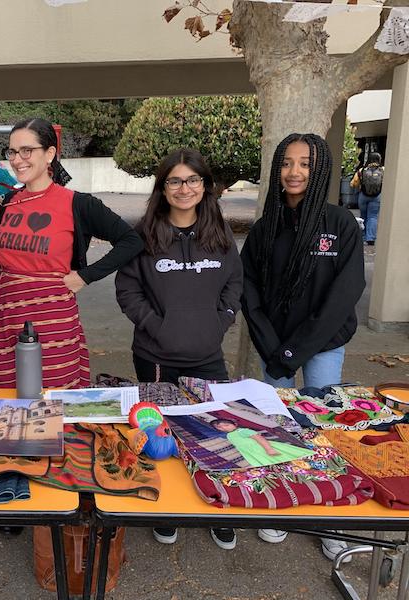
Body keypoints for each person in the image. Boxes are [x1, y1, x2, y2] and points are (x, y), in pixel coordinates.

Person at [240, 133, 365, 562]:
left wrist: (297, 351)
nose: (294, 172)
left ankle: (331, 517)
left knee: (323, 428)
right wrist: (273, 346)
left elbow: (344, 294)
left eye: (305, 164)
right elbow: (249, 289)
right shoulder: (264, 227)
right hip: (275, 346)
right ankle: (279, 502)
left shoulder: (340, 224)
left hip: (323, 345)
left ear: (320, 170)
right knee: (273, 429)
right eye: (287, 164)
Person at [114, 148, 242, 551]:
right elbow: (127, 289)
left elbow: (234, 284)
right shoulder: (144, 235)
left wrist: (220, 320)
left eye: (192, 180)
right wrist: (155, 325)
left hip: (207, 354)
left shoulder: (219, 234)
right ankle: (167, 508)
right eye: (175, 181)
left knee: (213, 433)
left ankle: (217, 507)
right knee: (160, 436)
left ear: (205, 187)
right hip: (156, 357)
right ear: (163, 187)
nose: (184, 188)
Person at [0, 118, 142, 391]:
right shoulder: (6, 204)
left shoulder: (77, 203)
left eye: (27, 150)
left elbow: (131, 241)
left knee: (54, 398)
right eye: (12, 152)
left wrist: (86, 276)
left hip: (54, 321)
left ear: (50, 154)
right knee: (6, 398)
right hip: (6, 319)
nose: (18, 160)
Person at [210, 419, 313, 467]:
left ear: (235, 424)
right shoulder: (229, 435)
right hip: (251, 452)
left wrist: (268, 448)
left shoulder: (242, 431)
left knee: (280, 457)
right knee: (265, 462)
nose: (223, 428)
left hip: (260, 448)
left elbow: (258, 438)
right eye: (219, 427)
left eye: (226, 425)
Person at [351, 152, 383, 245]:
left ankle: (362, 237)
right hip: (376, 196)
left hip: (363, 196)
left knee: (363, 216)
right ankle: (370, 238)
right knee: (373, 216)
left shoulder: (362, 170)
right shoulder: (383, 170)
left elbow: (353, 183)